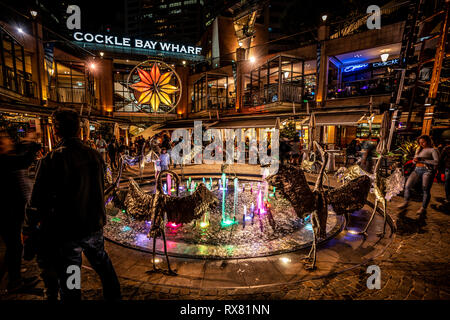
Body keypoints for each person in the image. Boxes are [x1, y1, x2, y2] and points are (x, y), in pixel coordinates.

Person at [25, 109, 121, 301]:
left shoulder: (51, 160)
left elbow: (36, 202)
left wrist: (28, 229)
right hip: (94, 225)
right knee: (104, 267)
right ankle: (115, 297)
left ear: (56, 130)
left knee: (71, 278)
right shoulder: (95, 156)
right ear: (79, 130)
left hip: (68, 232)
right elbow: (103, 188)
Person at [0, 129, 40, 293]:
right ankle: (14, 282)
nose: (9, 141)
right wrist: (33, 144)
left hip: (12, 210)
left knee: (14, 246)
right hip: (6, 212)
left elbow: (18, 154)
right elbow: (23, 160)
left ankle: (14, 278)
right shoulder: (3, 160)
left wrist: (26, 141)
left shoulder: (7, 157)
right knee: (14, 246)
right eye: (5, 140)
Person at [398, 135, 440, 218]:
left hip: (427, 171)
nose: (422, 144)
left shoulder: (433, 150)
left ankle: (423, 208)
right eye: (420, 142)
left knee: (425, 189)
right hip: (417, 169)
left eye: (423, 142)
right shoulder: (418, 149)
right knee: (407, 186)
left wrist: (423, 160)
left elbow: (437, 162)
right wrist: (414, 160)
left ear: (428, 141)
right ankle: (406, 202)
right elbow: (414, 161)